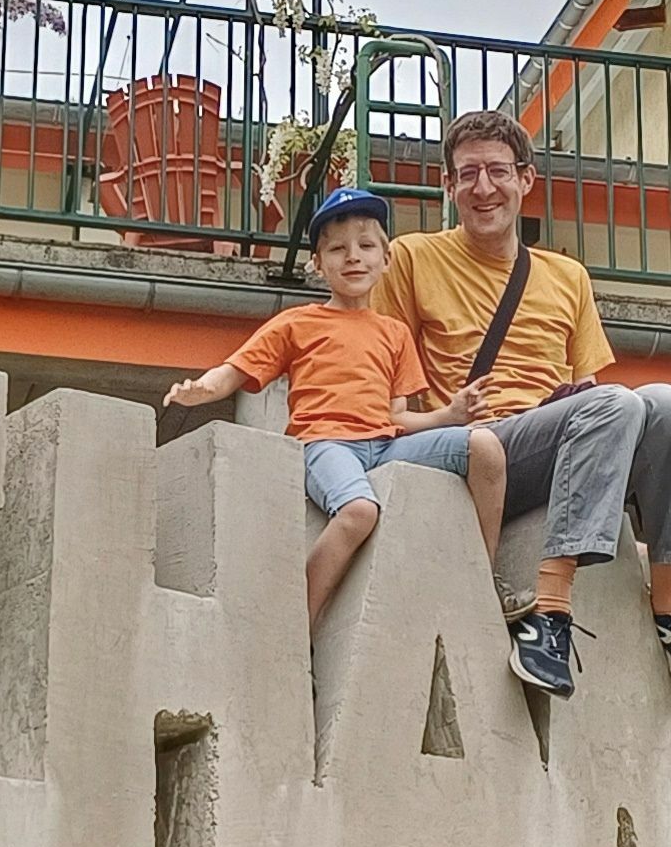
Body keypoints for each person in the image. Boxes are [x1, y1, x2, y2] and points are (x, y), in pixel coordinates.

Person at [370, 107, 671, 701]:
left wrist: (584, 406)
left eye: (496, 172)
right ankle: (551, 612)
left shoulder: (568, 277)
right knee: (616, 403)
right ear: (449, 186)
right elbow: (386, 391)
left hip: (559, 450)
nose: (483, 188)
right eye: (467, 175)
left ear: (525, 179)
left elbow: (587, 389)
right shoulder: (412, 257)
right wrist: (442, 418)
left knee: (669, 404)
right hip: (475, 450)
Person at [164, 186, 507, 629]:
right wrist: (200, 389)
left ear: (386, 259)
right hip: (325, 444)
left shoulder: (395, 332)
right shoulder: (298, 322)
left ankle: (482, 578)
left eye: (366, 247)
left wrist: (451, 416)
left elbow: (398, 416)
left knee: (485, 446)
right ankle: (298, 625)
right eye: (337, 249)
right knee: (359, 510)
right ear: (318, 264)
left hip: (385, 445)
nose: (353, 258)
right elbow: (234, 370)